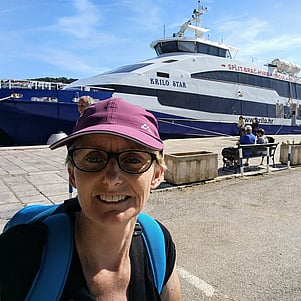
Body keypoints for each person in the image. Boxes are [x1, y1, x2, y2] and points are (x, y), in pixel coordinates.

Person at [0, 97, 182, 301]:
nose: (112, 179)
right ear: (72, 174)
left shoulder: (158, 244)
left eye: (133, 160)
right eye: (94, 159)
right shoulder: (18, 256)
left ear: (157, 175)